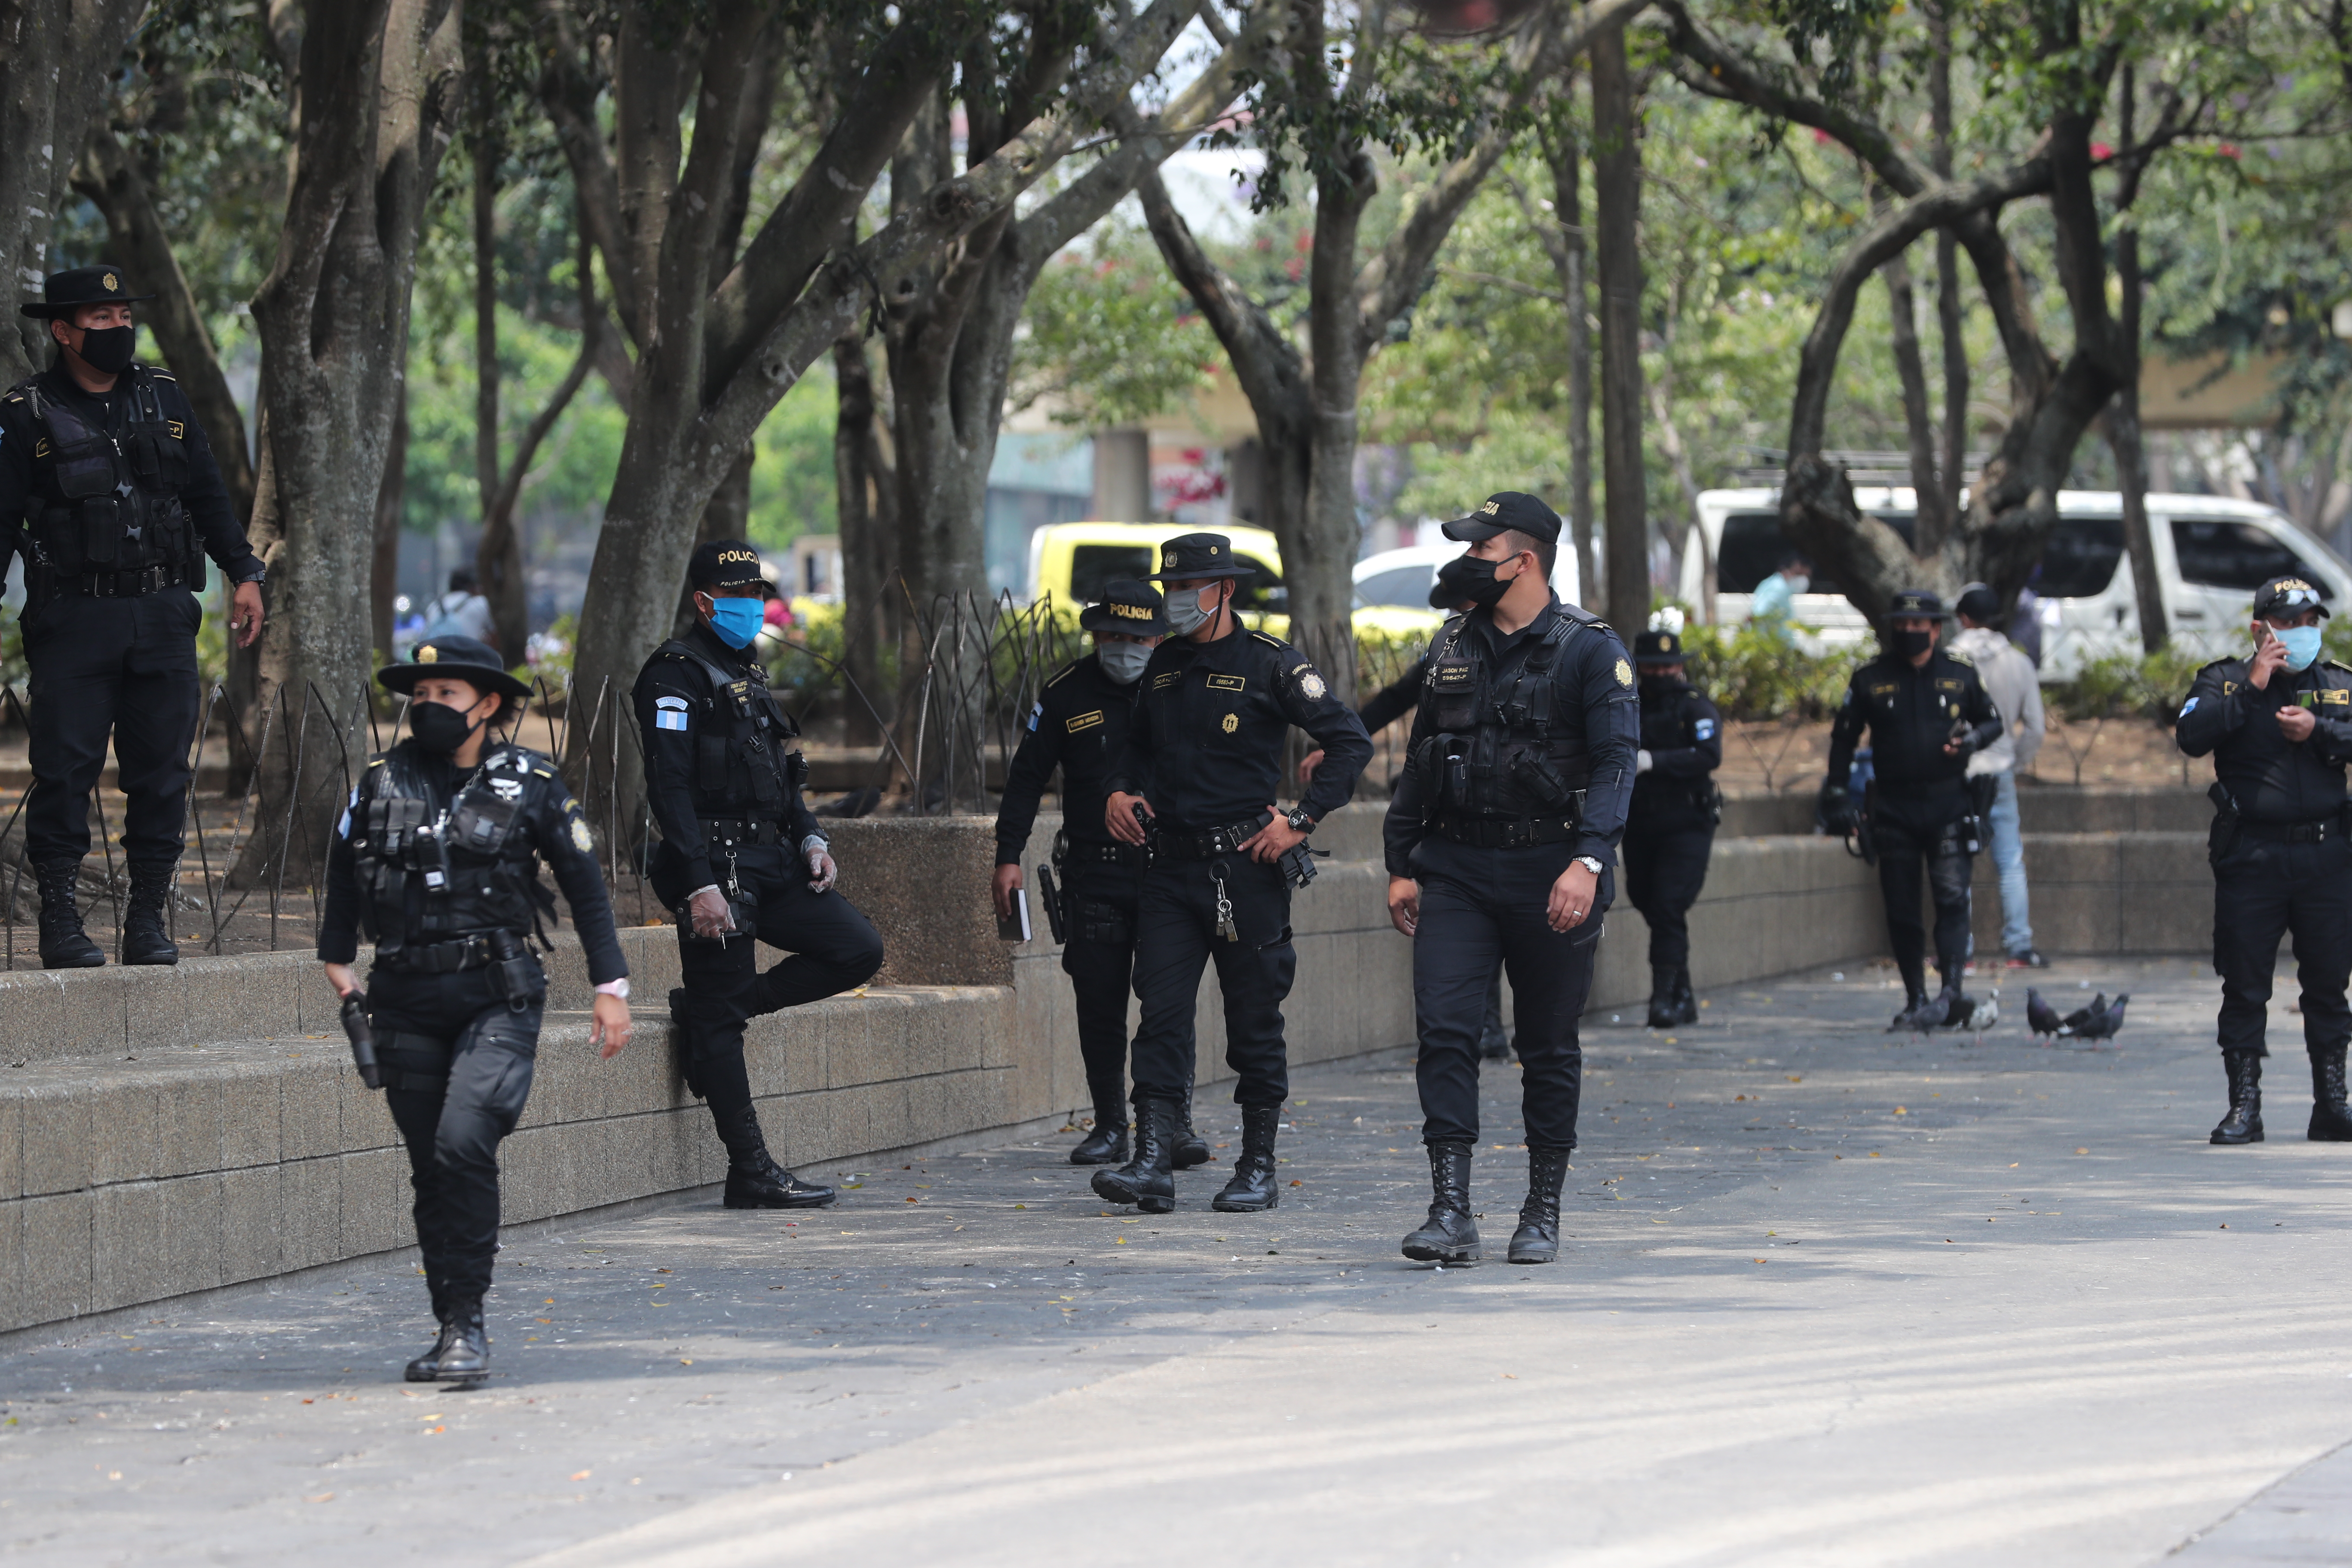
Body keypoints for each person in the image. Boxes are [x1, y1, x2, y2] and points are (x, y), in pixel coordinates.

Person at [320, 635, 633, 1382]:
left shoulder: (533, 782)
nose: (429, 706)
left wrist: (610, 986)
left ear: (488, 704)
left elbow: (584, 883)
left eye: (447, 694)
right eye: (421, 696)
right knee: (433, 1169)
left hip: (497, 994)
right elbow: (342, 868)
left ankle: (469, 1320)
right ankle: (456, 1325)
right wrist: (336, 959)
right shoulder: (380, 780)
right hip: (403, 997)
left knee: (463, 1141)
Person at [1384, 492, 1638, 1266]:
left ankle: (1541, 1208)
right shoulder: (1451, 643)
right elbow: (1421, 758)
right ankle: (1450, 1210)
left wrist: (1588, 861)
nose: (1467, 562)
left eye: (1480, 550)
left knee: (1547, 1043)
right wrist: (1400, 861)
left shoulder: (1590, 649)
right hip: (1456, 870)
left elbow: (1616, 764)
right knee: (1445, 1032)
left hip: (1551, 870)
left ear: (1523, 561)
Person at [1094, 532, 1373, 1213]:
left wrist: (1301, 819)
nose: (1175, 600)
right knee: (1160, 1017)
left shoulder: (1271, 664)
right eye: (1169, 589)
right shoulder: (1163, 665)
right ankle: (1152, 1159)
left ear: (1224, 590)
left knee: (1253, 1020)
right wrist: (1118, 790)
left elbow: (1349, 742)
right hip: (1168, 869)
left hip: (1244, 870)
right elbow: (1134, 748)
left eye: (1187, 589)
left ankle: (1257, 1164)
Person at [0, 266, 266, 968]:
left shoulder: (164, 396)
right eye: (102, 319)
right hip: (73, 617)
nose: (119, 329)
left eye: (125, 316)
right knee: (64, 772)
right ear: (63, 331)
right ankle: (61, 919)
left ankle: (146, 918)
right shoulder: (25, 412)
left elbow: (207, 493)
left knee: (162, 774)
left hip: (163, 613)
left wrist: (244, 572)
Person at [634, 539, 885, 1208]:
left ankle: (714, 1008)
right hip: (712, 865)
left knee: (857, 948)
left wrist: (811, 838)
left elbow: (781, 777)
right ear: (703, 601)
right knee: (721, 1023)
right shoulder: (674, 675)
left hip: (771, 859)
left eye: (756, 594)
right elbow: (669, 788)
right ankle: (750, 1170)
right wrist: (698, 885)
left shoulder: (746, 670)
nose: (751, 605)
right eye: (737, 595)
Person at [991, 579, 1210, 1169]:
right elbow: (1026, 779)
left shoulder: (1183, 685)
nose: (1124, 648)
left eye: (1137, 638)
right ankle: (1112, 1123)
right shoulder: (1067, 693)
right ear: (1095, 636)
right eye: (1113, 635)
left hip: (1169, 872)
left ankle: (1174, 1124)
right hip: (1096, 875)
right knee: (1099, 1001)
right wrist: (1008, 856)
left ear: (1158, 639)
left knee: (1168, 1005)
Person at [2176, 574, 2352, 1146]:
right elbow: (2190, 735)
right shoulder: (2224, 680)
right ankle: (2244, 1106)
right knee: (2246, 985)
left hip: (2326, 857)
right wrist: (2253, 687)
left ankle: (2332, 1104)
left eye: (2310, 623)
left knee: (2329, 984)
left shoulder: (2337, 684)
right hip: (2253, 857)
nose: (2302, 633)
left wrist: (2319, 731)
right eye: (2289, 623)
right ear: (2260, 629)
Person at [1821, 589, 2004, 1032]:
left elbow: (1992, 721)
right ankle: (1915, 997)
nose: (1909, 632)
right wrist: (1839, 794)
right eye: (1901, 625)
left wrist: (1972, 741)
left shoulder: (1959, 673)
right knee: (1901, 907)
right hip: (1894, 808)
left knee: (1952, 899)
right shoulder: (1871, 678)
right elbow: (1843, 739)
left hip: (1948, 803)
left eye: (1918, 626)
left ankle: (1951, 993)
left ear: (1936, 630)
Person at [1624, 628, 1722, 1029]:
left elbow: (1708, 754)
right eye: (1653, 667)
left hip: (1686, 823)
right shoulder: (1627, 705)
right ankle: (1684, 994)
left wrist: (1654, 761)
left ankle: (1663, 998)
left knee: (1667, 905)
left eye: (1668, 667)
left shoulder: (1695, 706)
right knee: (1645, 900)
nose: (1661, 673)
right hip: (1641, 822)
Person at [1953, 582, 2047, 968]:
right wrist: (2015, 760)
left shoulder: (1949, 660)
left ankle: (1961, 949)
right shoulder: (2018, 663)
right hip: (2000, 769)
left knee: (1957, 859)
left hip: (1958, 771)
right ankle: (2019, 946)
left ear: (1963, 618)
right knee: (2009, 858)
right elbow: (2036, 728)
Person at [419, 569, 495, 646]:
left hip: (437, 652)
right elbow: (495, 635)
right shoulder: (480, 603)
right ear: (473, 587)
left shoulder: (434, 606)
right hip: (467, 652)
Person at [1750, 549, 1812, 642]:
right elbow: (1761, 612)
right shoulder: (1780, 589)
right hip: (1775, 642)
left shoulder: (1770, 582)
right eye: (1802, 575)